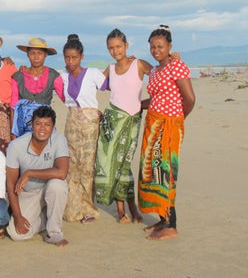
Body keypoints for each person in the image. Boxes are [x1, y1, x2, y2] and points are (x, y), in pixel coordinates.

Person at [138, 25, 195, 240]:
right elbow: (155, 99)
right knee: (154, 174)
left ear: (169, 46)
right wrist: (135, 106)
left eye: (160, 46)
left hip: (169, 127)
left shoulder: (177, 66)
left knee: (167, 173)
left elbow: (189, 99)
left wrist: (177, 121)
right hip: (153, 126)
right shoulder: (154, 71)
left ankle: (172, 225)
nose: (156, 50)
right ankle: (162, 220)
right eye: (152, 47)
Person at [94, 29, 151, 223]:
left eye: (118, 46)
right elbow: (93, 84)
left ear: (126, 46)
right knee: (109, 164)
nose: (115, 50)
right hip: (111, 122)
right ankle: (121, 211)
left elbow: (163, 76)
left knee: (124, 166)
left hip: (131, 123)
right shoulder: (110, 69)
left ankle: (133, 208)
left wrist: (145, 104)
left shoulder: (139, 64)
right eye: (111, 47)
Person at [6, 106, 69, 247]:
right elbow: (10, 184)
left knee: (57, 185)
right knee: (17, 235)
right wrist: (17, 216)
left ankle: (54, 233)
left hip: (49, 188)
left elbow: (62, 172)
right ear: (32, 125)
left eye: (47, 125)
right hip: (28, 193)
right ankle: (45, 217)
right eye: (38, 124)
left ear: (53, 127)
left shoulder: (59, 139)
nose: (42, 129)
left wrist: (29, 173)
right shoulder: (16, 146)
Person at [61, 34, 106, 223]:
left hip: (89, 125)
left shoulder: (93, 73)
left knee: (87, 167)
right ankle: (72, 208)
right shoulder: (62, 77)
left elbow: (113, 86)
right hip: (71, 124)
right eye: (67, 57)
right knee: (71, 166)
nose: (71, 61)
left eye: (74, 57)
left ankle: (88, 210)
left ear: (82, 57)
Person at [11, 37, 64, 137]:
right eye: (32, 53)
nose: (36, 57)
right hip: (22, 126)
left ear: (45, 55)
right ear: (28, 55)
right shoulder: (18, 77)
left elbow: (66, 97)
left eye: (39, 53)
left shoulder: (53, 75)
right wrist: (13, 133)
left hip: (45, 124)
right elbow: (13, 107)